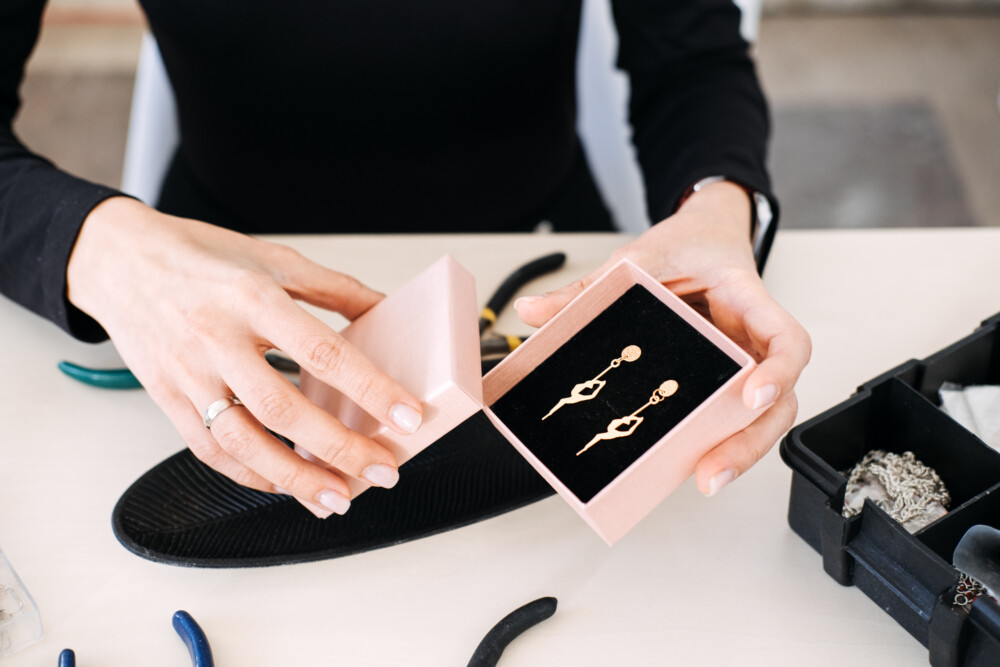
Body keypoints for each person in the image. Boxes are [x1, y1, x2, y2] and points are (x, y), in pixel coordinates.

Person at [0, 0, 810, 517]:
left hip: (542, 242)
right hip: (209, 287)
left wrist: (718, 199)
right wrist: (90, 246)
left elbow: (691, 54)